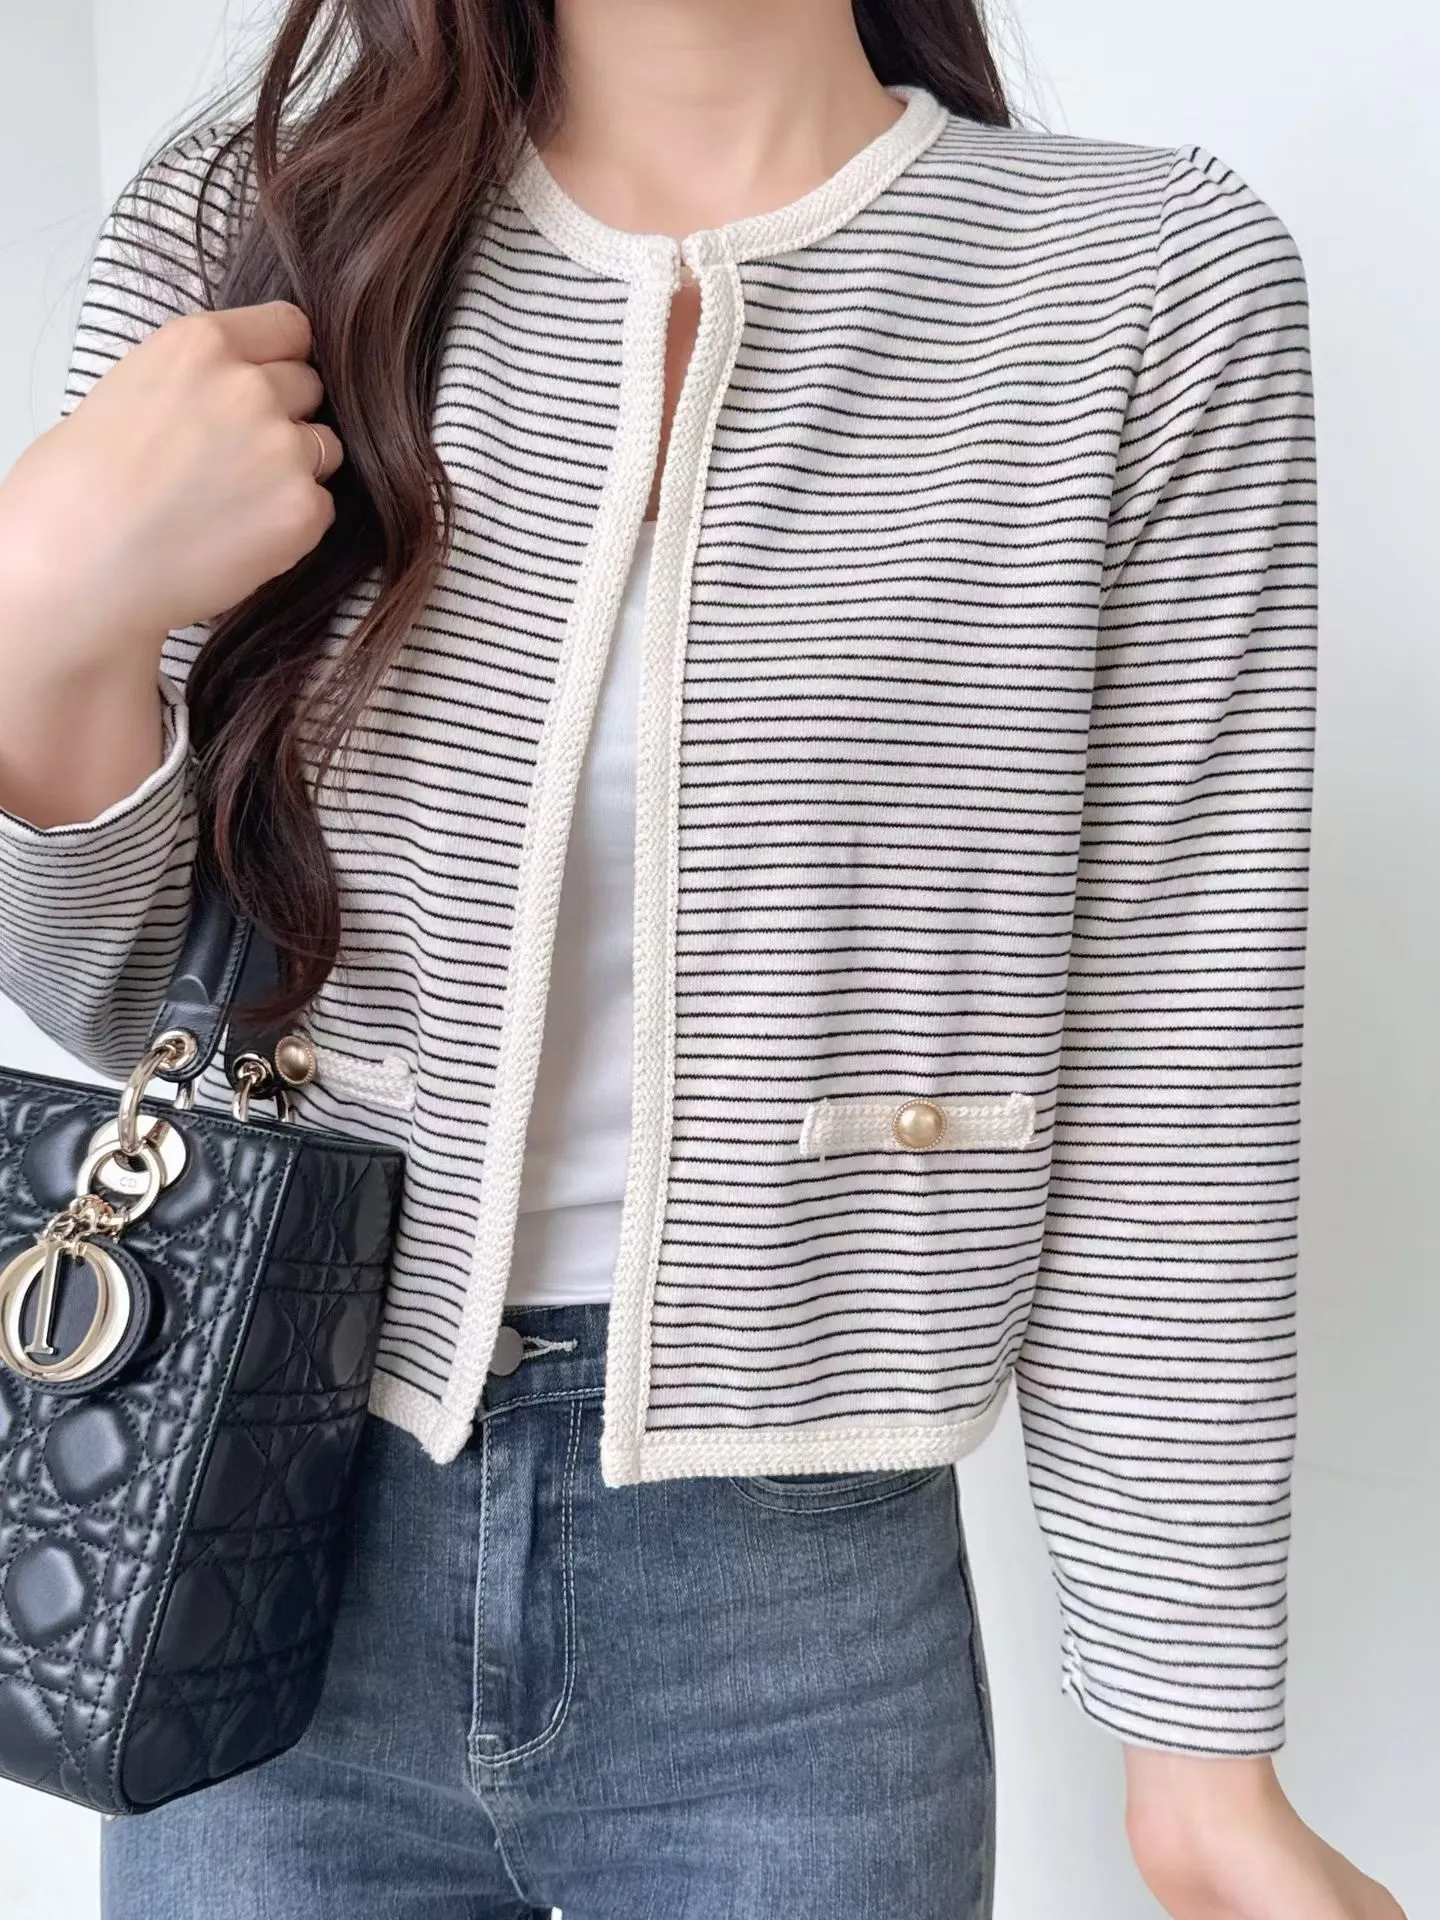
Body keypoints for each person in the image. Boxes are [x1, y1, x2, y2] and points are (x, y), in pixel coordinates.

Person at [0, 1, 1404, 1915]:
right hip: (249, 1522)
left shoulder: (1141, 283)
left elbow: (1177, 1056)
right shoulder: (247, 225)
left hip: (800, 1619)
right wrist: (39, 619)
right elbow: (122, 1002)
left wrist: (1201, 1761)